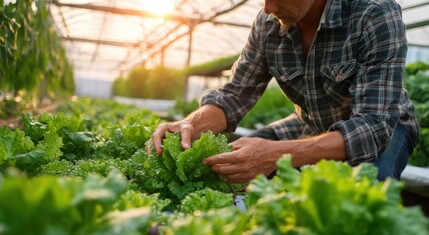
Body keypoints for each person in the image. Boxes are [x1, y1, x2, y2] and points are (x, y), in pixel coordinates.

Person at [147, 0, 419, 183]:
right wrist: (190, 124)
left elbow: (372, 128)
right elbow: (234, 96)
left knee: (369, 184)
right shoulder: (267, 25)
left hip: (385, 128)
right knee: (227, 164)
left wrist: (276, 154)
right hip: (311, 123)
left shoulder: (373, 13)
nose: (269, 8)